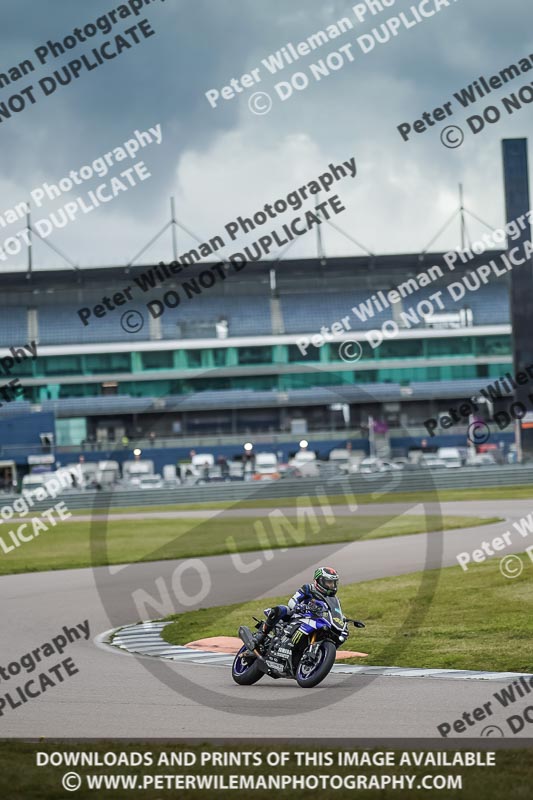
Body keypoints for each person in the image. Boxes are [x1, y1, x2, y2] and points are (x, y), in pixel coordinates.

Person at [252, 567, 340, 648]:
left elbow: (335, 612)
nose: (332, 586)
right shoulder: (308, 588)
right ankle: (261, 634)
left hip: (316, 620)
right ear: (319, 580)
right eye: (329, 582)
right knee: (280, 609)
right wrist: (298, 607)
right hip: (298, 615)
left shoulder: (334, 599)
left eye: (334, 583)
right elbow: (292, 601)